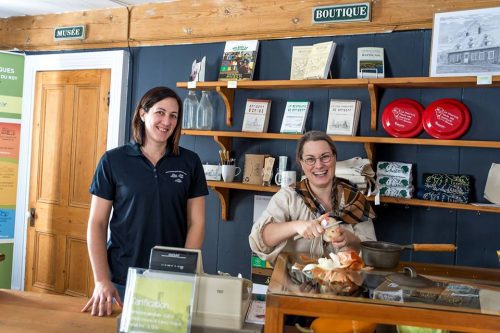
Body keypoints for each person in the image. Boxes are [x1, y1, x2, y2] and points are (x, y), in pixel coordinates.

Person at [82, 86, 208, 316]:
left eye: (173, 116)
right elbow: (97, 223)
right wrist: (101, 280)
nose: (166, 121)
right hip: (122, 278)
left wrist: (183, 272)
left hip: (172, 278)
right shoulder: (113, 160)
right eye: (160, 112)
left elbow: (197, 222)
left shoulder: (190, 162)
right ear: (142, 114)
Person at [249, 130, 376, 265]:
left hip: (341, 284)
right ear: (302, 163)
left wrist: (351, 240)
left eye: (325, 157)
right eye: (310, 159)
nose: (319, 165)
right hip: (293, 284)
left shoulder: (353, 197)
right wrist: (296, 226)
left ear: (334, 158)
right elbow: (260, 241)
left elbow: (372, 252)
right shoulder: (288, 197)